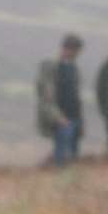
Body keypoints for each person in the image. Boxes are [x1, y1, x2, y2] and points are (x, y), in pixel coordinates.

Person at [36, 34, 85, 166]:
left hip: (74, 117)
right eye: (74, 50)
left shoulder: (73, 68)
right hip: (62, 118)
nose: (76, 53)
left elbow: (75, 95)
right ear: (67, 48)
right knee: (62, 156)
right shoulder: (51, 67)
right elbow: (47, 97)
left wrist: (80, 120)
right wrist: (58, 117)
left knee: (73, 156)